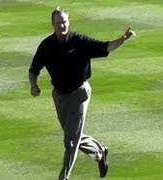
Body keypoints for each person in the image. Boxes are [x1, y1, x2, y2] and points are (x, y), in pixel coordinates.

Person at [28, 7, 136, 180]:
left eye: (64, 22)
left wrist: (123, 38)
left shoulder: (80, 41)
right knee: (73, 135)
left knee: (70, 141)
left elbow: (105, 46)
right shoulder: (46, 46)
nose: (61, 25)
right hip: (59, 95)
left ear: (68, 22)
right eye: (58, 23)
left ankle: (63, 177)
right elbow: (33, 69)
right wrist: (33, 86)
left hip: (79, 93)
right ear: (52, 24)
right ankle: (99, 152)